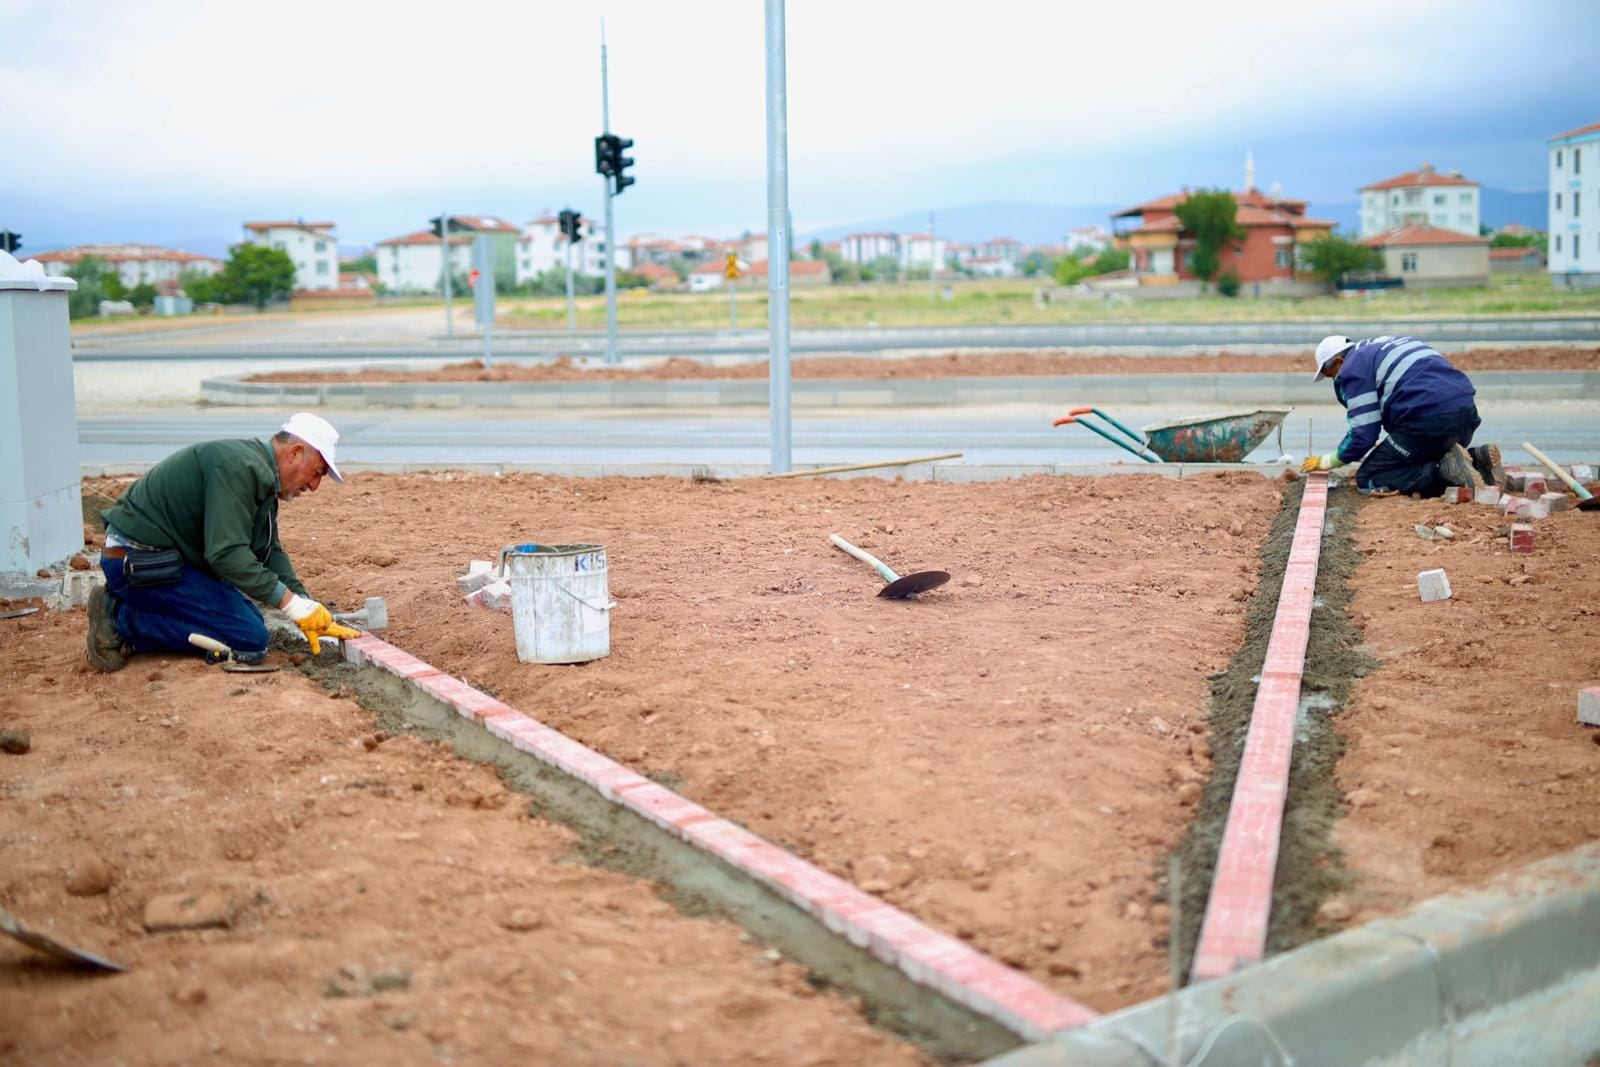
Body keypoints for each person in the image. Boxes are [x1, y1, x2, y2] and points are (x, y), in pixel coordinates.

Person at [86, 413, 360, 672]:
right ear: (295, 453)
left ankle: (134, 609)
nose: (314, 486)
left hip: (162, 560)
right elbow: (227, 554)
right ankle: (120, 619)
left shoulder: (258, 474)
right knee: (248, 640)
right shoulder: (238, 468)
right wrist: (292, 606)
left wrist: (306, 604)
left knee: (246, 617)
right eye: (316, 473)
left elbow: (268, 552)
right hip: (136, 561)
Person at [1300, 334, 1502, 496]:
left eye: (1329, 374)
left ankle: (1444, 472)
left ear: (1338, 361)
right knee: (1416, 453)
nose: (1334, 379)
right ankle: (1477, 459)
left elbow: (1364, 435)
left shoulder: (1353, 369)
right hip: (1465, 415)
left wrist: (1328, 461)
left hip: (1429, 421)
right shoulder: (1384, 345)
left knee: (1370, 476)